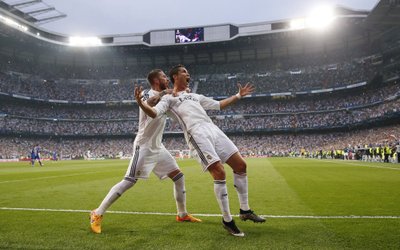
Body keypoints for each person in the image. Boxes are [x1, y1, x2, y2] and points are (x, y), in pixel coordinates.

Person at [135, 64, 265, 237]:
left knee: (241, 166)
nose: (188, 74)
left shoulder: (195, 95)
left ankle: (245, 210)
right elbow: (153, 113)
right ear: (175, 77)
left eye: (187, 72)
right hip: (196, 133)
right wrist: (140, 103)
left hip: (213, 129)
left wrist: (238, 96)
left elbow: (218, 105)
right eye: (184, 72)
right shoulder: (169, 99)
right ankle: (227, 220)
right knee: (219, 172)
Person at [90, 69, 201, 234]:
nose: (167, 79)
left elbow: (175, 103)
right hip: (144, 146)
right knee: (129, 181)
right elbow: (150, 104)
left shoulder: (166, 96)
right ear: (156, 80)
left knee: (178, 177)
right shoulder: (145, 94)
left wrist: (183, 94)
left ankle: (182, 214)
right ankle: (97, 213)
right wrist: (168, 92)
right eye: (164, 76)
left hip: (158, 147)